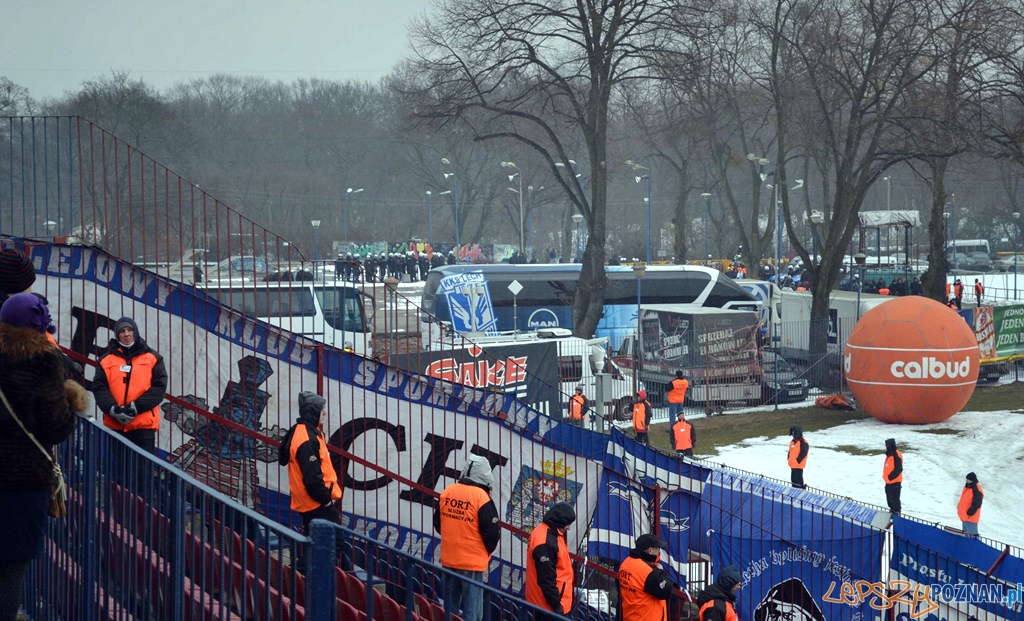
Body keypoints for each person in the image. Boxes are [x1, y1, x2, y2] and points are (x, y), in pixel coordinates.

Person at [0, 293, 87, 621]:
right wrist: (72, 400)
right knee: (11, 566)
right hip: (24, 482)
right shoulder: (44, 360)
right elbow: (55, 428)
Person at [278, 391, 347, 566]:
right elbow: (312, 478)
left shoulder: (302, 430)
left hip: (310, 502)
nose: (324, 413)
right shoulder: (307, 438)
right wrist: (325, 500)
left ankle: (301, 579)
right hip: (316, 503)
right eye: (321, 409)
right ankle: (306, 581)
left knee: (316, 544)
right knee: (333, 545)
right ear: (313, 411)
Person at [433, 454, 500, 621]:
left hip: (449, 558)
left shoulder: (448, 491)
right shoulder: (481, 497)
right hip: (472, 563)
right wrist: (484, 551)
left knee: (450, 608)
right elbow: (492, 534)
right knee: (473, 611)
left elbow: (438, 523)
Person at [92, 317, 168, 455]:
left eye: (129, 330)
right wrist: (112, 409)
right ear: (117, 335)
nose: (126, 334)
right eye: (122, 331)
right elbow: (99, 388)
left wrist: (136, 407)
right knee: (118, 473)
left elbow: (159, 388)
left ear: (135, 332)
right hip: (115, 426)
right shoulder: (105, 360)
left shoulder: (153, 358)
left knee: (141, 473)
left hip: (143, 427)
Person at [524, 502, 576, 620]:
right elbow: (546, 579)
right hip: (549, 607)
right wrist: (557, 606)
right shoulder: (546, 542)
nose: (569, 527)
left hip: (548, 603)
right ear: (559, 521)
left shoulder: (547, 531)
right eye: (567, 524)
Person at [617, 534, 675, 621]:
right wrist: (661, 571)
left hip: (631, 616)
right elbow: (667, 590)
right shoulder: (647, 572)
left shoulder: (625, 564)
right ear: (650, 550)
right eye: (657, 549)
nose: (659, 551)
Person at [958, 472, 983, 537]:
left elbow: (977, 503)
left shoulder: (976, 489)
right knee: (966, 536)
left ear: (972, 480)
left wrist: (970, 513)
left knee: (972, 537)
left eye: (968, 479)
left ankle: (976, 547)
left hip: (970, 518)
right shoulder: (968, 486)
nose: (966, 481)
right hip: (965, 516)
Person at [882, 438, 903, 515]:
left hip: (895, 482)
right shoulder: (890, 454)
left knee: (895, 499)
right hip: (888, 482)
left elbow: (899, 468)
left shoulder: (896, 454)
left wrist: (890, 477)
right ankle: (892, 511)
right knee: (889, 499)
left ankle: (897, 513)